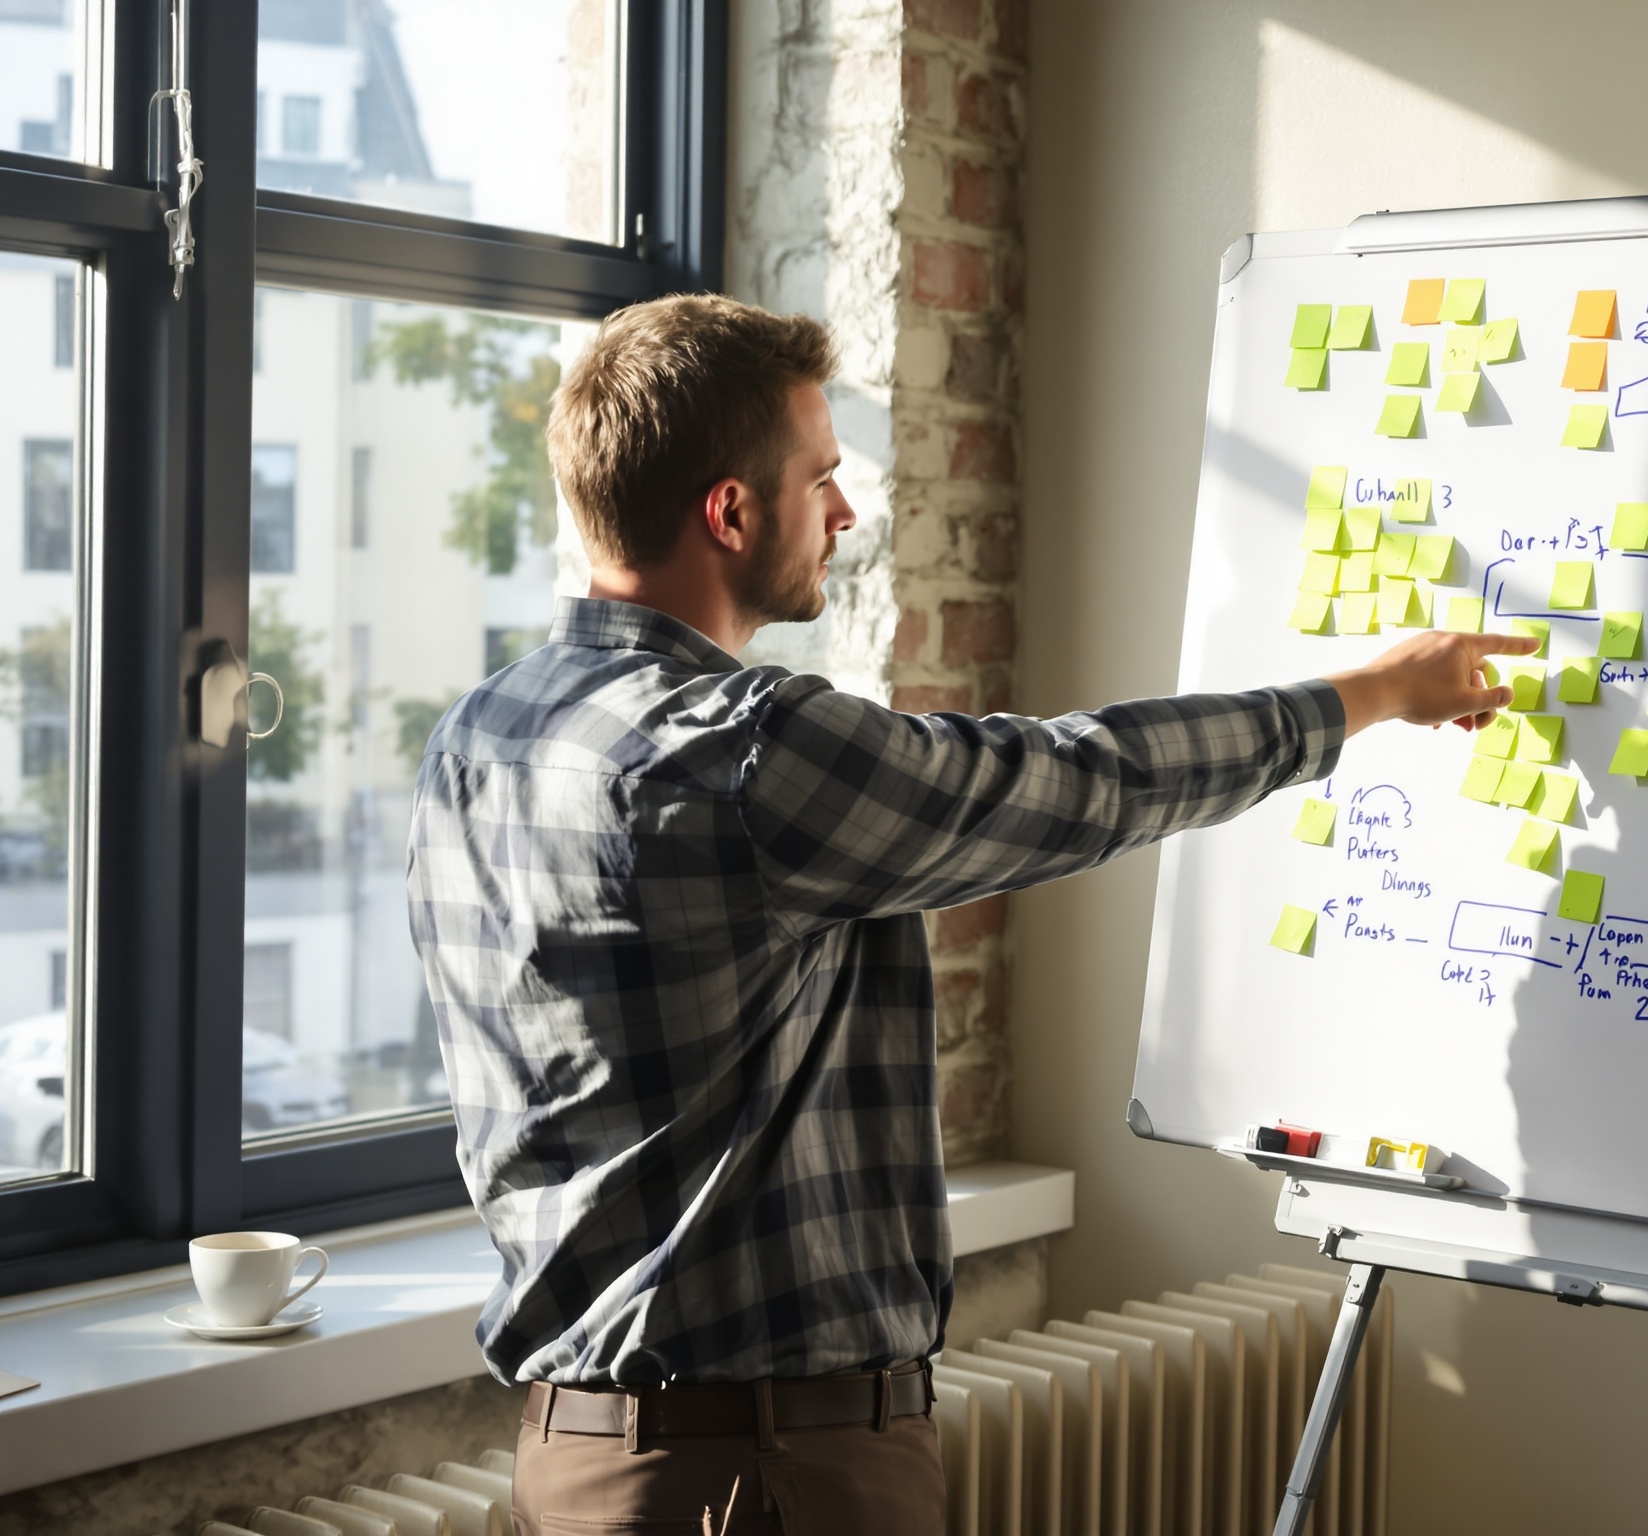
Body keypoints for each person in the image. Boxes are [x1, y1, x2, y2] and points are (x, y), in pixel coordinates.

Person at [406, 293, 1529, 1533]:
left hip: (574, 1458)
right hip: (761, 1475)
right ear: (728, 511)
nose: (844, 511)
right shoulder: (743, 757)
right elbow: (1072, 781)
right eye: (821, 478)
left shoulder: (485, 731)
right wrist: (1363, 694)